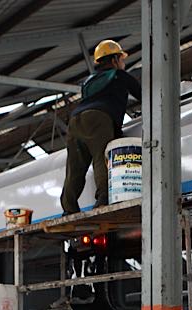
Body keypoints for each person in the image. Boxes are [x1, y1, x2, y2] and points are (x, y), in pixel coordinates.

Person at [60, 39, 141, 214]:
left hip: (75, 120)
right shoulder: (119, 75)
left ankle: (69, 208)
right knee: (101, 157)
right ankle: (103, 199)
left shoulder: (89, 81)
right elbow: (143, 95)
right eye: (122, 59)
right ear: (114, 60)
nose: (123, 63)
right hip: (98, 118)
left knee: (75, 167)